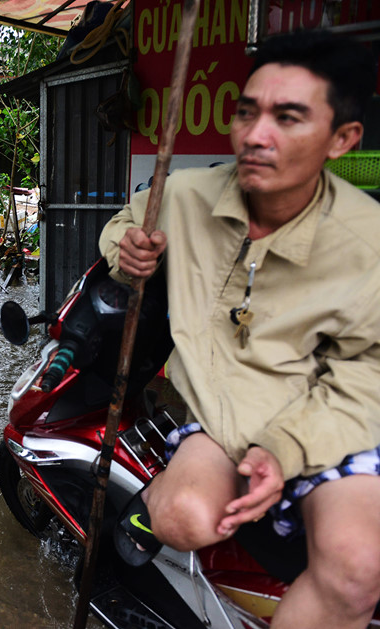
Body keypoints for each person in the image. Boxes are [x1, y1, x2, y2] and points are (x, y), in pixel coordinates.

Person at [99, 30, 380, 628]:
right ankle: (152, 506)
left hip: (329, 416)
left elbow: (367, 372)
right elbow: (124, 225)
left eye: (289, 117)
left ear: (343, 139)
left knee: (357, 569)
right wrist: (129, 252)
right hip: (221, 414)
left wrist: (286, 449)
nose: (256, 135)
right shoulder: (183, 195)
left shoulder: (368, 242)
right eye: (247, 112)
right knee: (185, 518)